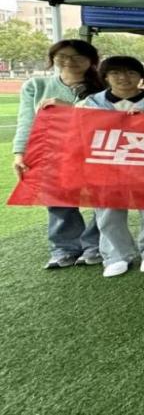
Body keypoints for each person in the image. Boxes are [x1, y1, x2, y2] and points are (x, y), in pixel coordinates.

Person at [14, 39, 105, 269]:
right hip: (52, 152)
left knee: (103, 200)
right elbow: (26, 121)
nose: (70, 61)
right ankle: (65, 248)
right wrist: (20, 153)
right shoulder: (36, 85)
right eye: (62, 56)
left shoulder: (104, 86)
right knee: (57, 201)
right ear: (53, 58)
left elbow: (110, 118)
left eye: (78, 57)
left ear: (91, 61)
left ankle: (95, 244)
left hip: (94, 151)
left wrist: (70, 108)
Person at [78, 56, 144, 278]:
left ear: (141, 77)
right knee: (108, 211)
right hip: (106, 165)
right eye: (116, 73)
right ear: (106, 77)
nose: (123, 78)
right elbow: (74, 129)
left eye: (131, 73)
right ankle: (116, 255)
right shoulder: (91, 104)